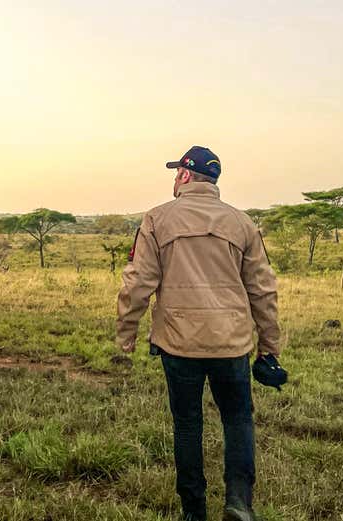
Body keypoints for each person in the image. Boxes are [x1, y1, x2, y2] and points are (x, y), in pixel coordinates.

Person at [116, 146, 280, 521]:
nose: (174, 179)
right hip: (232, 343)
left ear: (186, 176)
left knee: (187, 424)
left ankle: (194, 511)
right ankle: (239, 502)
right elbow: (263, 290)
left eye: (177, 173)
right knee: (238, 420)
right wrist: (269, 346)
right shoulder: (242, 223)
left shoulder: (157, 219)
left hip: (178, 343)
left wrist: (127, 333)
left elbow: (138, 282)